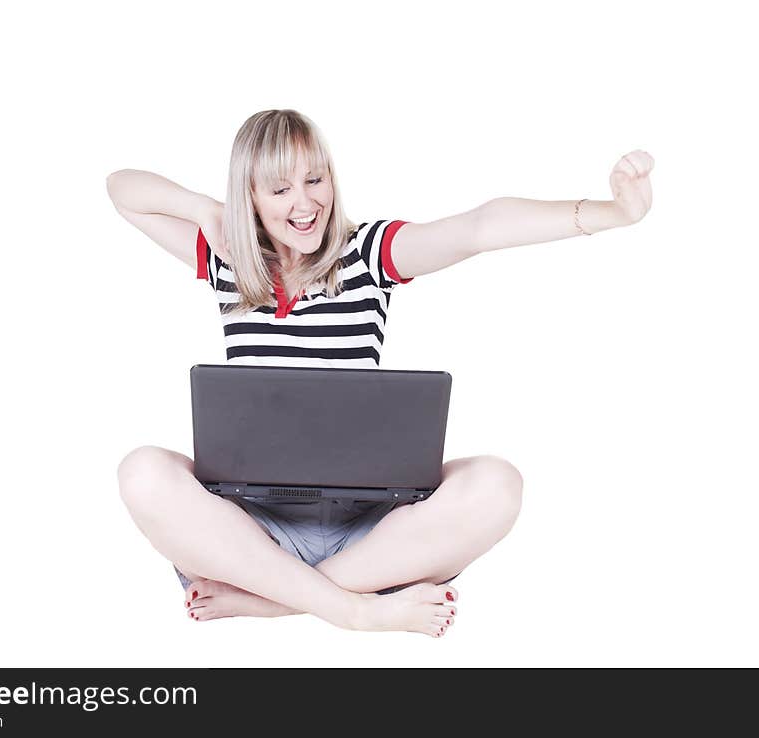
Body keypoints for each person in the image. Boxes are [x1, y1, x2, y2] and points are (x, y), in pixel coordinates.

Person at [106, 109, 654, 638]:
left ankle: (274, 603)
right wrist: (204, 208)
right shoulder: (227, 258)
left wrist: (613, 212)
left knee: (498, 484)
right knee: (142, 470)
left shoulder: (366, 253)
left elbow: (481, 226)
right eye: (279, 189)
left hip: (369, 534)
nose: (305, 204)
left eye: (314, 179)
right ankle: (356, 612)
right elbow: (121, 187)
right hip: (251, 532)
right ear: (247, 196)